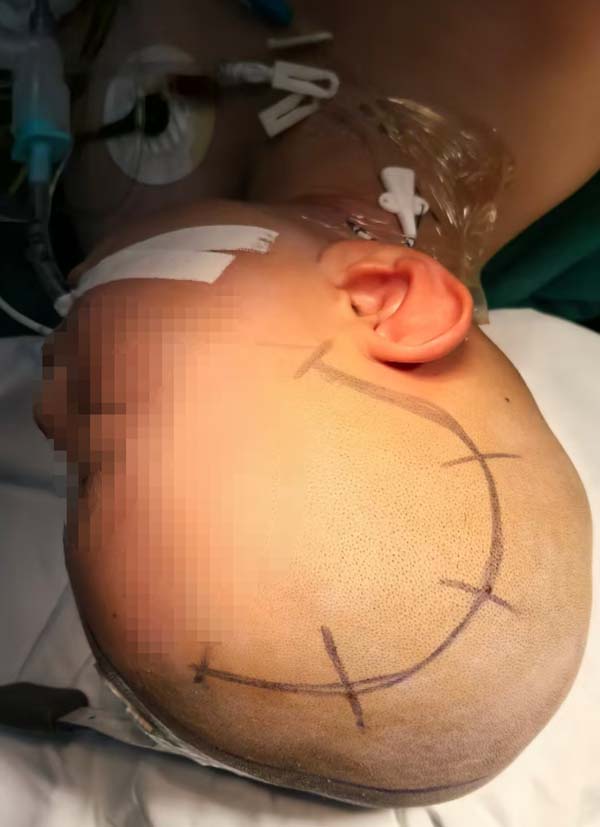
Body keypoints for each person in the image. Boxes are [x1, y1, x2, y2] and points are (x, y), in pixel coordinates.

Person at [32, 0, 598, 809]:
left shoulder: (126, 211)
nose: (44, 412)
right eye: (104, 417)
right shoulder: (541, 47)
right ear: (385, 298)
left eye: (72, 480)